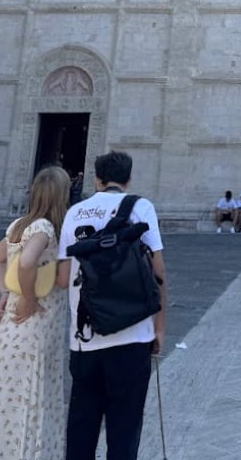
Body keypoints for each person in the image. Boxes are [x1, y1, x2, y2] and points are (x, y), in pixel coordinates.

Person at [57, 150, 166, 460]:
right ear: (129, 179)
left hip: (84, 340)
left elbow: (64, 278)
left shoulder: (75, 212)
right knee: (125, 428)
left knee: (81, 426)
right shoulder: (141, 207)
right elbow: (158, 274)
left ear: (97, 179)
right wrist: (160, 327)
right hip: (133, 336)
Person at [0, 165, 69, 460]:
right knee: (31, 411)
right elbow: (26, 262)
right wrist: (29, 299)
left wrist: (7, 292)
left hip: (9, 331)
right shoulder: (45, 228)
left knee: (9, 411)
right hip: (32, 330)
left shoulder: (17, 225)